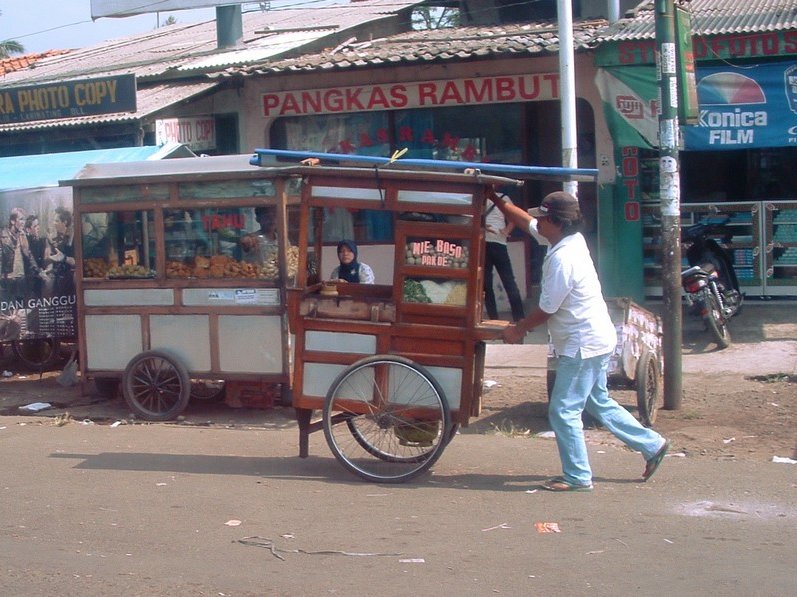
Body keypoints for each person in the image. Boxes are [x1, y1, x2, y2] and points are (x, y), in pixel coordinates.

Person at [486, 187, 670, 491]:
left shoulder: (563, 258)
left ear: (557, 222)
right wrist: (496, 200)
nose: (539, 223)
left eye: (544, 219)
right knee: (597, 401)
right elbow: (524, 222)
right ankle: (652, 444)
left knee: (563, 410)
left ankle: (577, 476)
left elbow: (547, 308)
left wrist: (518, 329)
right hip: (594, 338)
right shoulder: (566, 239)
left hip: (582, 344)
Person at [483, 191, 525, 322]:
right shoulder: (502, 198)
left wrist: (506, 230)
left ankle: (498, 319)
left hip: (489, 243)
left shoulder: (490, 197)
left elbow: (513, 218)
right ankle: (517, 319)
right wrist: (505, 231)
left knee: (490, 284)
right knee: (506, 282)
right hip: (493, 243)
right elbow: (514, 219)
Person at [48, 207, 76, 298]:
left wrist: (64, 258)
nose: (54, 223)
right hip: (59, 282)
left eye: (56, 221)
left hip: (70, 283)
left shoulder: (74, 239)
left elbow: (76, 262)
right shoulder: (58, 240)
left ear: (65, 223)